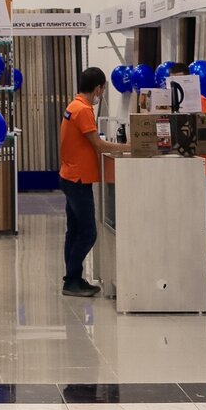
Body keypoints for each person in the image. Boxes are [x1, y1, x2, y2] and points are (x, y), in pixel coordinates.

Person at [59, 67, 130, 296]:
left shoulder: (74, 106)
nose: (102, 94)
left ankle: (73, 278)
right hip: (78, 179)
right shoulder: (83, 110)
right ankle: (71, 280)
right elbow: (98, 145)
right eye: (102, 89)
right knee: (88, 232)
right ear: (98, 88)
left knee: (74, 231)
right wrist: (128, 147)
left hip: (70, 175)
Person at [170, 62, 206, 281]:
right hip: (181, 168)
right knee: (184, 215)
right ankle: (188, 259)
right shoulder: (169, 106)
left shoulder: (203, 102)